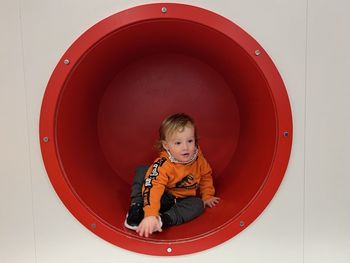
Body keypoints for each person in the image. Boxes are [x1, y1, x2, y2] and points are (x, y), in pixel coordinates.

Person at [124, 113, 220, 237]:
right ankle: (137, 207)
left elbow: (206, 176)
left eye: (190, 141)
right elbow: (153, 188)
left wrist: (207, 196)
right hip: (162, 196)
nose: (185, 147)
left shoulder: (198, 160)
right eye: (178, 143)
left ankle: (161, 220)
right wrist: (150, 214)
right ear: (166, 145)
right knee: (144, 171)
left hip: (180, 202)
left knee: (198, 205)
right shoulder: (163, 164)